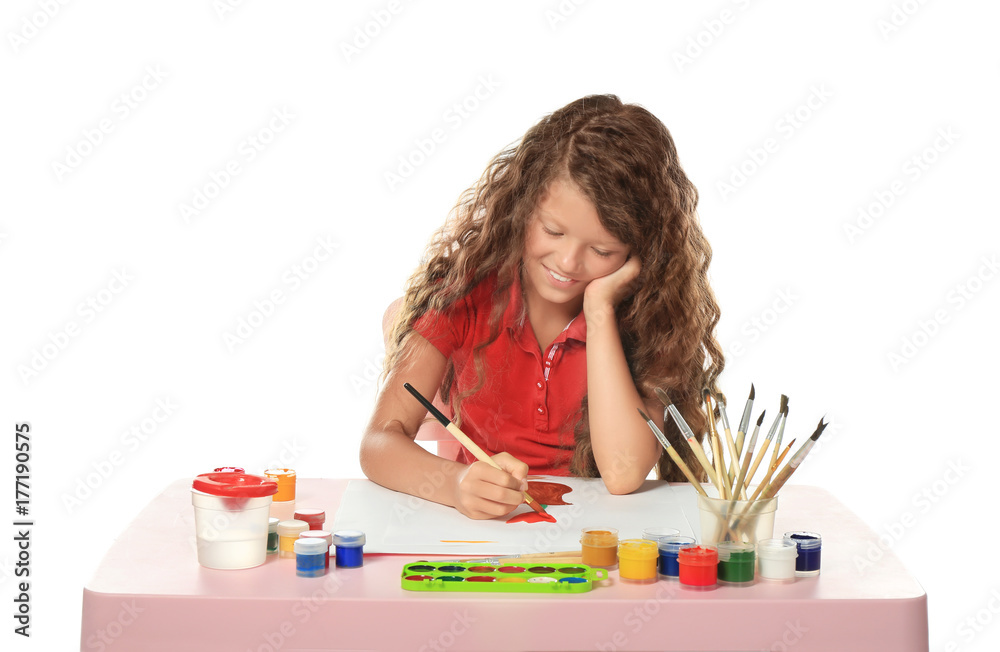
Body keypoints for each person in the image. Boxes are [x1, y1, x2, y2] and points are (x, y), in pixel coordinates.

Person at [360, 94, 724, 519]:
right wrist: (455, 483)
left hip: (592, 536)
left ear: (641, 254)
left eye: (602, 250)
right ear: (522, 206)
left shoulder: (646, 321)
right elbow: (379, 443)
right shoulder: (463, 294)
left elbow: (623, 474)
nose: (568, 262)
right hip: (483, 534)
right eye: (553, 231)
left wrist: (600, 310)